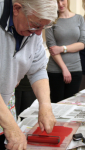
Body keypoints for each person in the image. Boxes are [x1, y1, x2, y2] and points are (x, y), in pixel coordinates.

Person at [0, 0, 57, 149]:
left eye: (43, 27)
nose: (39, 33)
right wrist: (11, 127)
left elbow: (37, 69)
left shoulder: (32, 26)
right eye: (36, 25)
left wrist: (45, 105)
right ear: (17, 9)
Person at [45, 0, 85, 103]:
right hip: (55, 71)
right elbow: (52, 48)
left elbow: (82, 43)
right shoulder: (50, 20)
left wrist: (62, 48)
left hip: (75, 69)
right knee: (56, 106)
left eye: (62, 0)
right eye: (57, 1)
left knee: (71, 106)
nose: (60, 4)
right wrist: (64, 69)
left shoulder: (79, 18)